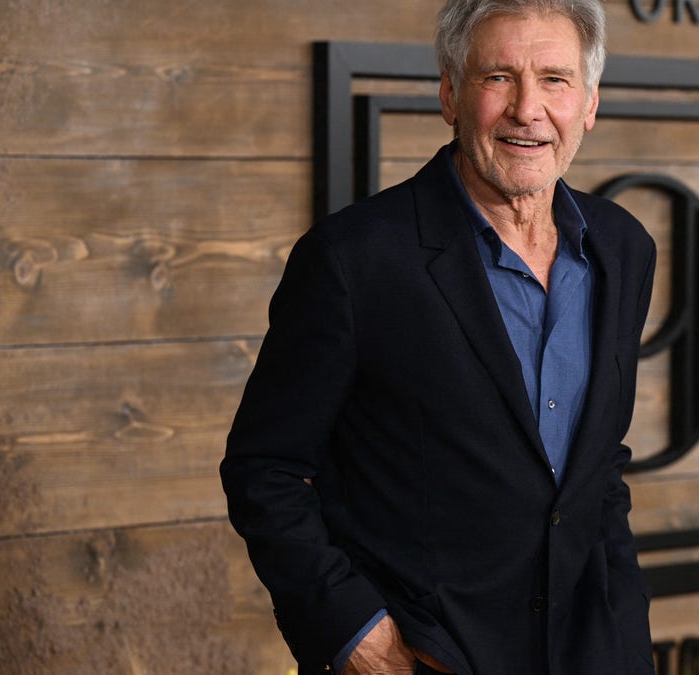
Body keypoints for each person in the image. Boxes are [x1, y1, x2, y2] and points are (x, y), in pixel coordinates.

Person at [220, 0, 656, 672]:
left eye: (555, 80)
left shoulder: (623, 249)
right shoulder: (353, 259)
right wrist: (354, 633)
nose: (527, 108)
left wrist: (627, 643)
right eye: (498, 78)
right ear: (450, 93)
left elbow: (596, 478)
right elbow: (265, 469)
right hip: (427, 658)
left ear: (590, 103)